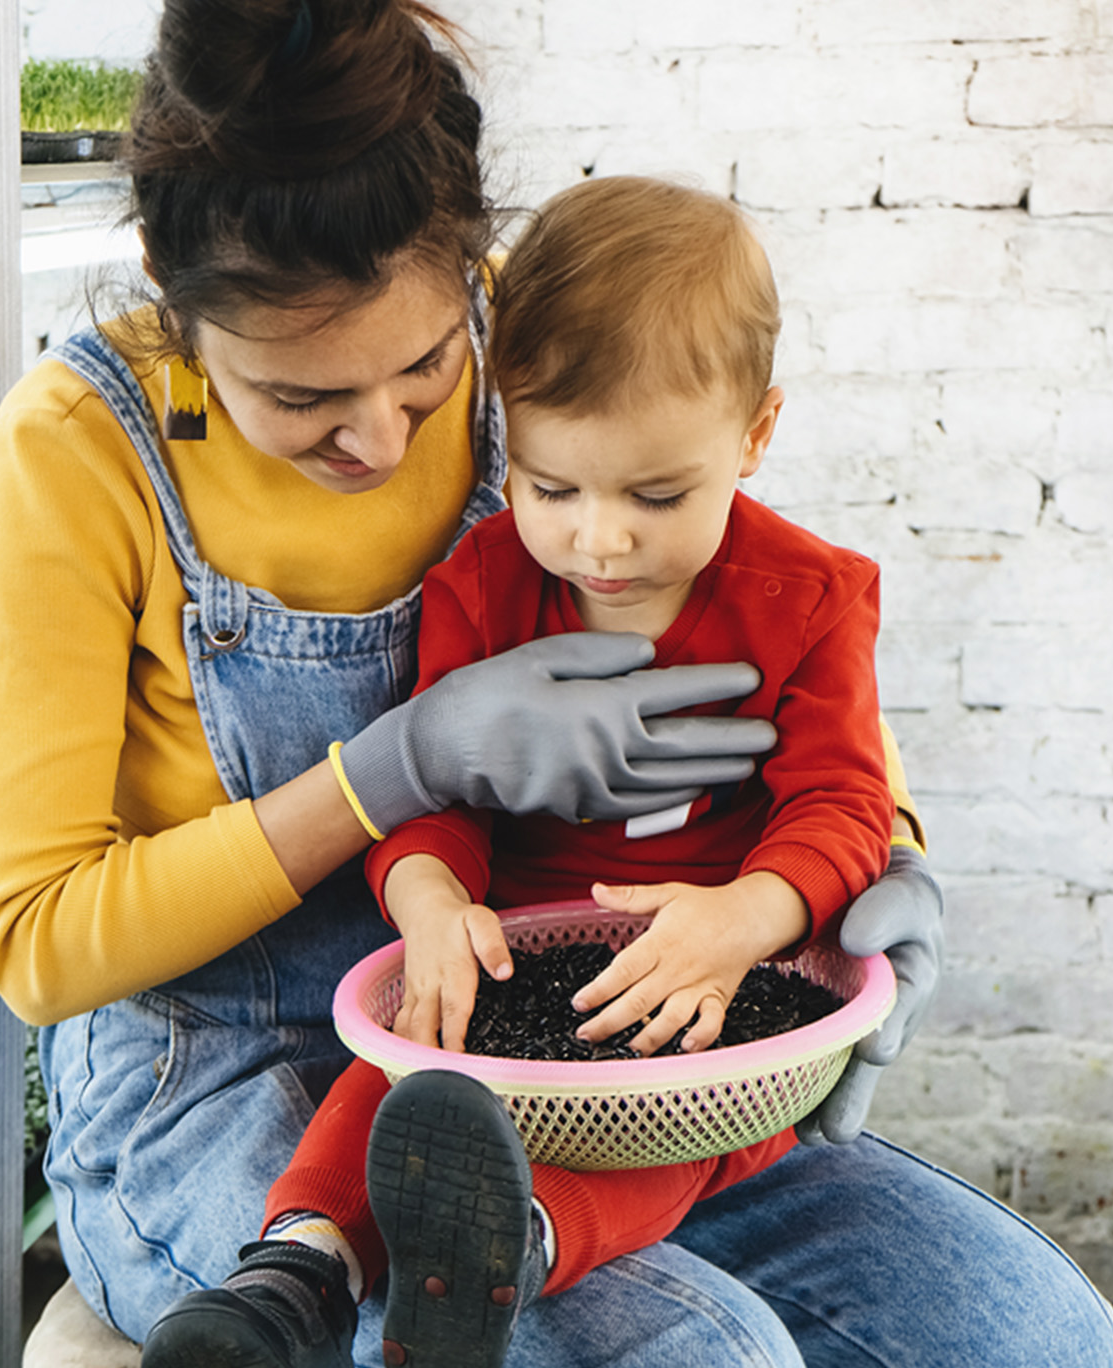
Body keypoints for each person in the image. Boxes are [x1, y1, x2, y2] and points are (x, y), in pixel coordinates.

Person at [0, 2, 1113, 1366]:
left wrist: (871, 871)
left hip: (552, 1022)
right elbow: (36, 946)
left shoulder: (537, 330)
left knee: (1037, 1337)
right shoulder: (77, 452)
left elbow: (760, 638)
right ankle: (304, 1264)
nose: (382, 434)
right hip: (219, 1072)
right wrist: (396, 773)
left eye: (427, 369)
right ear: (169, 279)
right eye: (300, 401)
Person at [139, 174, 899, 1368]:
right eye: (551, 489)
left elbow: (844, 802)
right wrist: (430, 899)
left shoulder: (808, 599)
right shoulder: (484, 583)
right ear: (508, 431)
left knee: (684, 1133)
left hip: (709, 983)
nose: (599, 540)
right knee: (407, 1073)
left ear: (753, 436)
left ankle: (518, 1249)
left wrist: (750, 916)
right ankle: (298, 1267)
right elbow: (434, 800)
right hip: (519, 953)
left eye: (656, 496)